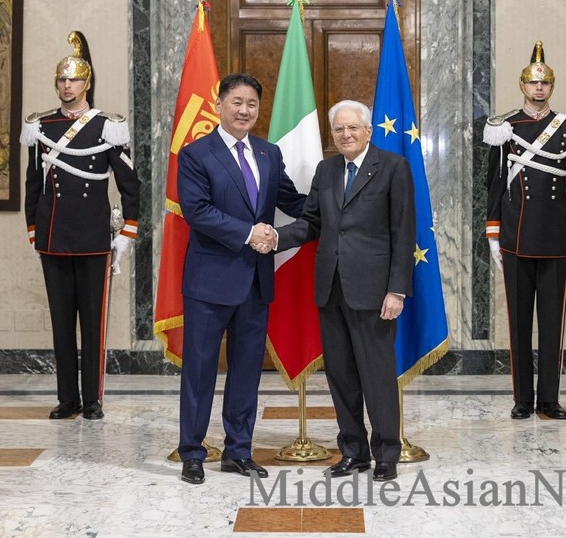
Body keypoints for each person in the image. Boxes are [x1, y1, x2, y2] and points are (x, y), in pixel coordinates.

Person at [271, 100, 416, 482]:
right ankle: (354, 452)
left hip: (374, 292)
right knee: (341, 376)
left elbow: (403, 232)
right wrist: (275, 238)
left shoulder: (393, 167)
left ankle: (386, 454)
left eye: (353, 128)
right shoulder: (327, 169)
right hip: (331, 289)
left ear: (368, 131)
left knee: (377, 377)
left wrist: (397, 290)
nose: (346, 134)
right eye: (339, 129)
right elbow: (311, 223)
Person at [176, 72, 306, 485]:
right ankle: (193, 453)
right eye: (237, 102)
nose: (245, 110)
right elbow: (197, 211)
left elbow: (290, 200)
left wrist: (339, 203)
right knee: (200, 371)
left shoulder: (268, 153)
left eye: (252, 104)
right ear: (219, 105)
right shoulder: (196, 154)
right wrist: (250, 233)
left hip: (254, 282)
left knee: (247, 371)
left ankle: (238, 451)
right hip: (209, 282)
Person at [20, 31, 141, 421]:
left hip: (92, 238)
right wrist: (34, 230)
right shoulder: (41, 126)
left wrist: (127, 232)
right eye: (62, 79)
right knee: (61, 324)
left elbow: (130, 185)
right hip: (54, 236)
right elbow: (33, 185)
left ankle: (92, 400)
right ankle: (66, 399)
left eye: (74, 79)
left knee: (92, 324)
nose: (67, 85)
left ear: (86, 83)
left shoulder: (107, 126)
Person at [483, 40, 566, 420]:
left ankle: (549, 399)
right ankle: (522, 400)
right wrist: (493, 234)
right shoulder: (505, 128)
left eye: (544, 83)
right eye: (533, 83)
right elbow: (494, 184)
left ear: (551, 86)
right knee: (519, 324)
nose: (538, 88)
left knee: (552, 324)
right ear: (522, 85)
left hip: (555, 239)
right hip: (516, 238)